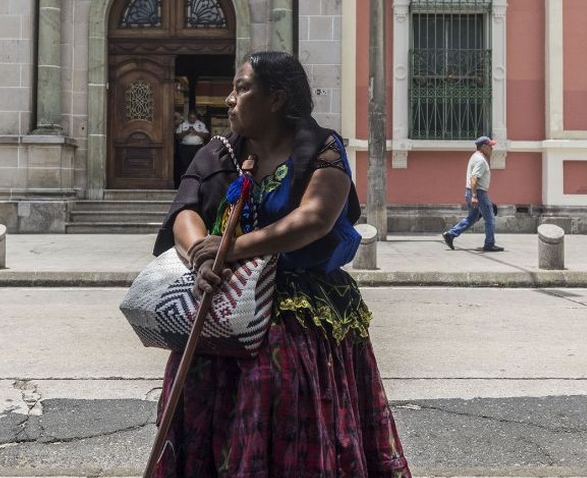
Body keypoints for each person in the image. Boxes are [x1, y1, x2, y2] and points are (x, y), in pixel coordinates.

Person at [151, 51, 411, 477]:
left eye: (242, 88)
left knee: (279, 392)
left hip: (298, 305)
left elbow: (314, 218)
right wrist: (201, 253)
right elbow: (186, 209)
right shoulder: (218, 152)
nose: (230, 99)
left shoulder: (322, 147)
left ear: (276, 98)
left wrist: (230, 249)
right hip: (219, 304)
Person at [442, 136, 504, 252]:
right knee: (489, 218)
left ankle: (450, 234)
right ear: (484, 147)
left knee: (473, 217)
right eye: (490, 146)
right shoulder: (480, 160)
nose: (492, 148)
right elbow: (474, 178)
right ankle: (489, 244)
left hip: (470, 192)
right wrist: (475, 196)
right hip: (478, 193)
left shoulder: (475, 157)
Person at [174, 110, 209, 186]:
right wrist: (186, 132)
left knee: (197, 165)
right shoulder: (183, 124)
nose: (192, 119)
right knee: (185, 165)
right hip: (185, 148)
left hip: (197, 148)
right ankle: (184, 183)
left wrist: (196, 133)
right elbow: (177, 135)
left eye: (193, 118)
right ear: (188, 118)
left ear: (196, 117)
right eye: (190, 118)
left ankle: (197, 183)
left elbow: (206, 135)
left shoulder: (201, 125)